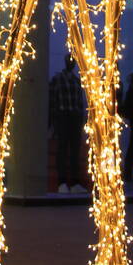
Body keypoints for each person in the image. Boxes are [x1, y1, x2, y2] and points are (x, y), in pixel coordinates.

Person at [49, 54, 86, 193]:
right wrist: (54, 121)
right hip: (63, 117)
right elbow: (53, 101)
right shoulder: (58, 80)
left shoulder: (76, 81)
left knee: (74, 151)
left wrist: (81, 120)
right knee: (63, 150)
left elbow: (80, 102)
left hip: (74, 118)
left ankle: (75, 182)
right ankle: (62, 182)